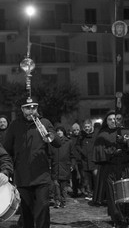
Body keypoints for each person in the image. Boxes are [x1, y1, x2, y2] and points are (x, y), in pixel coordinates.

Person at [3, 98, 61, 228]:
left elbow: (58, 143)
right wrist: (8, 170)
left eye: (34, 108)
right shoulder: (15, 125)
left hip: (42, 176)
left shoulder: (45, 122)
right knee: (26, 211)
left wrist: (50, 135)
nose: (31, 111)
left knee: (43, 208)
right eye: (28, 108)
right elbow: (7, 150)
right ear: (22, 109)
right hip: (23, 177)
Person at [93, 110, 129, 228]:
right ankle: (118, 219)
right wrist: (113, 151)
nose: (113, 121)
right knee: (113, 195)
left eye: (115, 119)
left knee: (126, 194)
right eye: (110, 119)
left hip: (125, 168)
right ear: (106, 122)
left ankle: (126, 215)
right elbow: (99, 152)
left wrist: (125, 142)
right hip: (110, 169)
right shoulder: (102, 135)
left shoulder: (126, 131)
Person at [50, 126, 75, 208]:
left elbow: (73, 155)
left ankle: (63, 201)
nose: (59, 132)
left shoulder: (69, 142)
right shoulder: (52, 142)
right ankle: (57, 201)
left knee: (63, 186)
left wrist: (72, 164)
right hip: (55, 166)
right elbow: (50, 155)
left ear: (63, 132)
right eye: (57, 131)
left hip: (65, 166)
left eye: (60, 131)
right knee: (56, 185)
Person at [79, 119, 98, 200]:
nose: (87, 128)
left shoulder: (96, 135)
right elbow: (77, 146)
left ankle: (97, 194)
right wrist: (82, 152)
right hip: (85, 161)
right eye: (85, 127)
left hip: (94, 161)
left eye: (88, 126)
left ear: (91, 126)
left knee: (96, 179)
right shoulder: (81, 135)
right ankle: (89, 193)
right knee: (87, 179)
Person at [70, 122, 83, 198]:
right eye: (74, 130)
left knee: (82, 175)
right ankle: (75, 191)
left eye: (77, 130)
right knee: (74, 176)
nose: (76, 131)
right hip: (73, 159)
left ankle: (81, 189)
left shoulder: (81, 137)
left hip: (81, 159)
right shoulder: (71, 139)